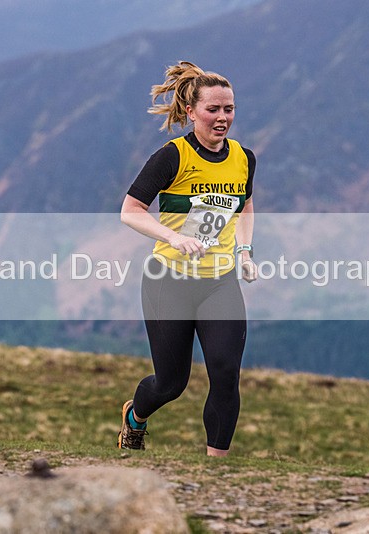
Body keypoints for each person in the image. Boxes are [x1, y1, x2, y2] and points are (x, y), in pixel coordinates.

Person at [118, 61, 257, 457]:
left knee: (226, 375)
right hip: (169, 281)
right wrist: (173, 237)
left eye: (228, 109)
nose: (222, 118)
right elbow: (130, 210)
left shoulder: (243, 158)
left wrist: (244, 252)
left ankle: (216, 472)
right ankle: (135, 418)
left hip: (219, 281)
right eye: (213, 109)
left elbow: (244, 207)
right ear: (191, 112)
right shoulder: (172, 156)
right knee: (171, 384)